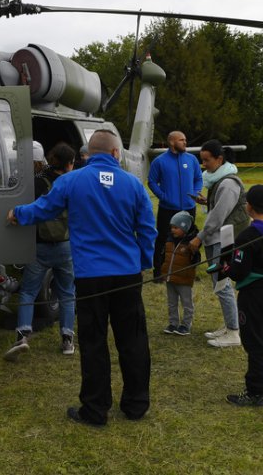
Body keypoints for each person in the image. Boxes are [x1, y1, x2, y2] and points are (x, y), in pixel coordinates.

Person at [8, 129, 157, 427]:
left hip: (91, 277)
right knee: (133, 340)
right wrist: (143, 262)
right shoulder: (133, 184)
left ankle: (95, 410)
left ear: (88, 154)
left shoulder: (70, 181)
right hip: (127, 275)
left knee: (93, 342)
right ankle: (136, 405)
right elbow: (147, 229)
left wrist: (17, 214)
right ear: (116, 153)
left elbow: (44, 209)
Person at [218, 185, 263, 406]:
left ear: (248, 207)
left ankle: (255, 392)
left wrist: (225, 267)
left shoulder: (248, 236)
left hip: (255, 295)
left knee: (256, 342)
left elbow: (238, 272)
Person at [4, 141, 77, 361]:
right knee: (67, 292)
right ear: (70, 163)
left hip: (40, 245)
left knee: (28, 291)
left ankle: (22, 336)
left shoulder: (36, 182)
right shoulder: (72, 182)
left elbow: (32, 208)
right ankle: (67, 339)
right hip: (65, 245)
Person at [189, 140, 249, 348]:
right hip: (220, 238)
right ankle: (231, 325)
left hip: (224, 240)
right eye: (202, 160)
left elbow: (218, 217)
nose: (204, 164)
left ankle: (233, 333)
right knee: (220, 285)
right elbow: (220, 208)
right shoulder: (220, 181)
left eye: (207, 160)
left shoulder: (228, 184)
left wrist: (199, 237)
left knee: (222, 285)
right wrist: (207, 202)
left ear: (219, 159)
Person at [148, 131, 202, 280]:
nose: (185, 142)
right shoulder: (159, 161)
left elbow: (198, 178)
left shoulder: (191, 159)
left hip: (188, 207)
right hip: (167, 209)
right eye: (181, 140)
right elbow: (152, 181)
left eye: (185, 139)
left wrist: (195, 193)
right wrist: (163, 196)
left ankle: (189, 271)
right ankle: (159, 272)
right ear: (172, 142)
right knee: (163, 239)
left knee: (189, 239)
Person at [160, 211, 200, 336]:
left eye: (176, 227)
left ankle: (186, 325)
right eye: (172, 227)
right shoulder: (169, 241)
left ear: (185, 228)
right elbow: (164, 258)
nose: (173, 230)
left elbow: (196, 261)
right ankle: (173, 323)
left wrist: (194, 253)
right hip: (170, 278)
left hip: (184, 280)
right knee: (171, 302)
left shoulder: (191, 243)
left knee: (186, 303)